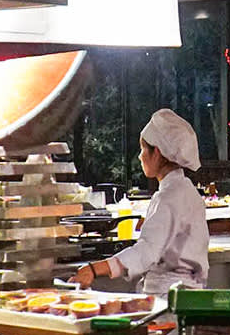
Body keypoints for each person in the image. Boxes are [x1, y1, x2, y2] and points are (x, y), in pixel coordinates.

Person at [74, 108, 208, 296]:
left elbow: (146, 252)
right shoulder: (188, 191)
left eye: (143, 149)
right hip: (188, 294)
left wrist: (94, 269)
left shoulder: (167, 197)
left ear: (157, 153)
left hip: (167, 298)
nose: (140, 156)